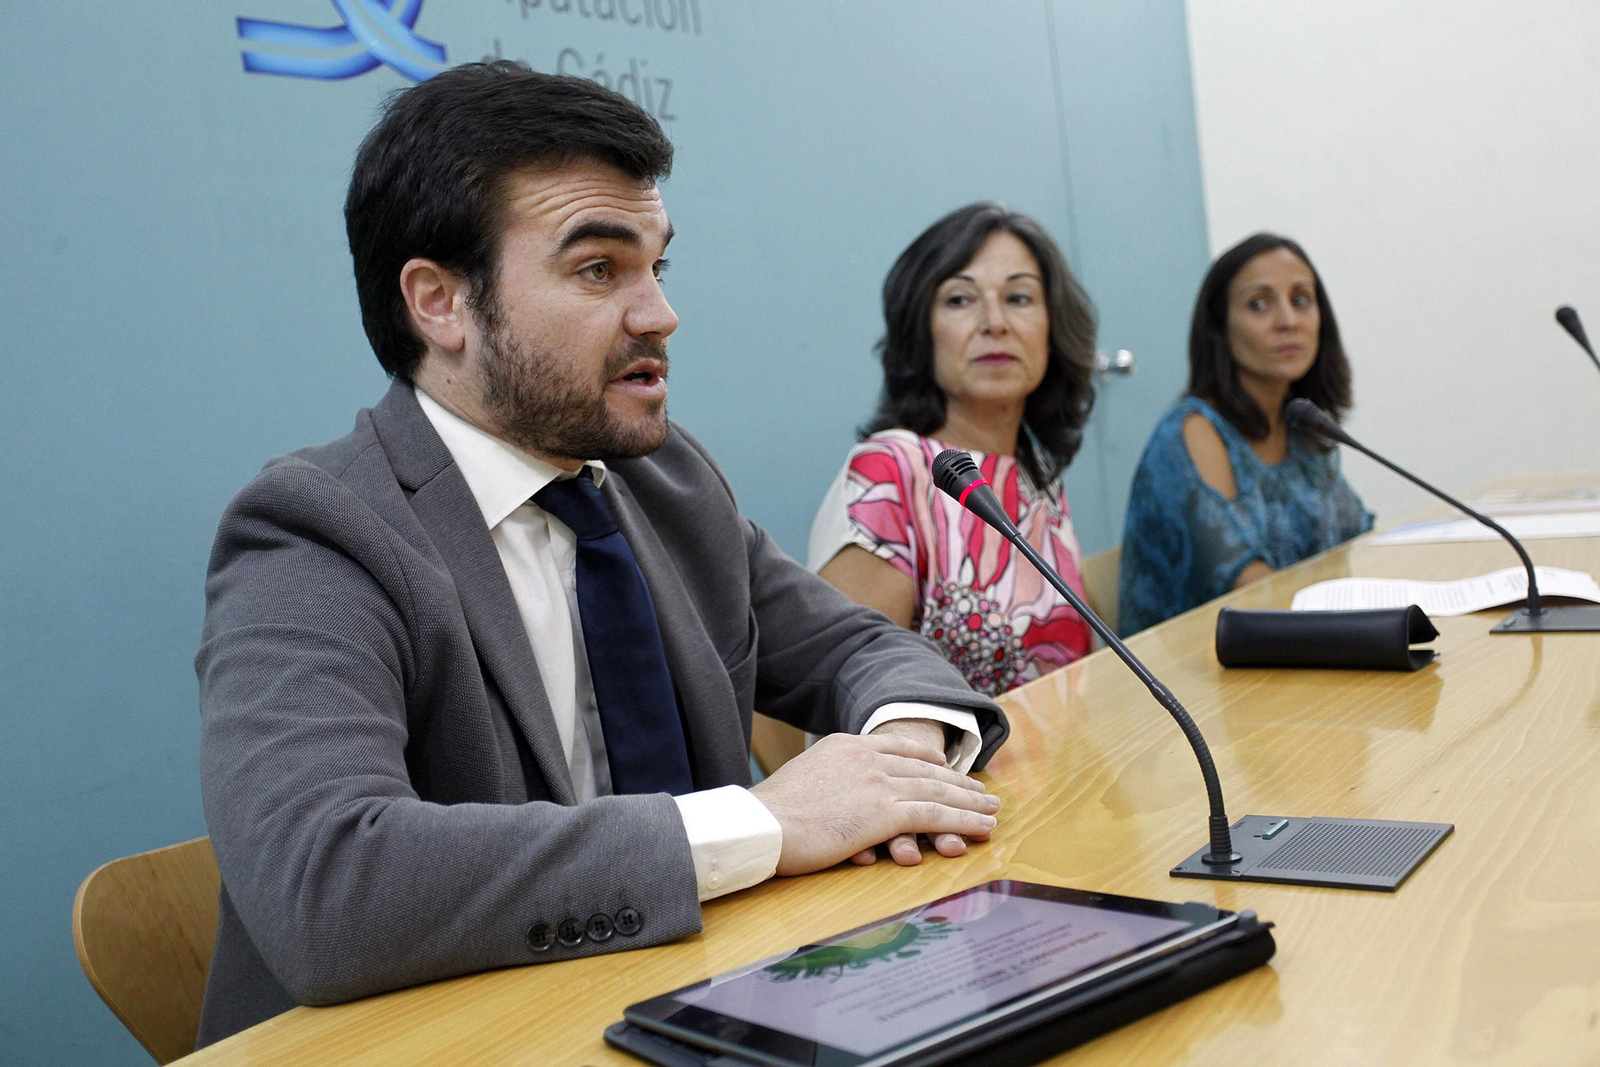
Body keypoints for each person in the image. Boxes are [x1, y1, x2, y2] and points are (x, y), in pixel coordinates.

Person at [195, 63, 1009, 1045]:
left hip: (703, 1004)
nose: (659, 314)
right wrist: (761, 823)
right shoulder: (316, 528)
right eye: (598, 270)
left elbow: (857, 647)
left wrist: (898, 758)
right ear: (440, 303)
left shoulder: (664, 479)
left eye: (658, 266)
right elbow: (327, 881)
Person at [808, 203, 1098, 697]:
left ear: (1053, 329)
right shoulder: (888, 473)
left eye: (1019, 298)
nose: (995, 322)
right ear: (921, 331)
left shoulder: (1036, 473)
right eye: (960, 300)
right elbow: (852, 697)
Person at [1117, 233, 1373, 636]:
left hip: (1296, 645)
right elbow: (1252, 589)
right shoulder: (1192, 432)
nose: (1288, 320)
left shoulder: (1301, 423)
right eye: (1259, 304)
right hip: (1193, 668)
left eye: (1301, 300)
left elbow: (1356, 541)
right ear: (1219, 328)